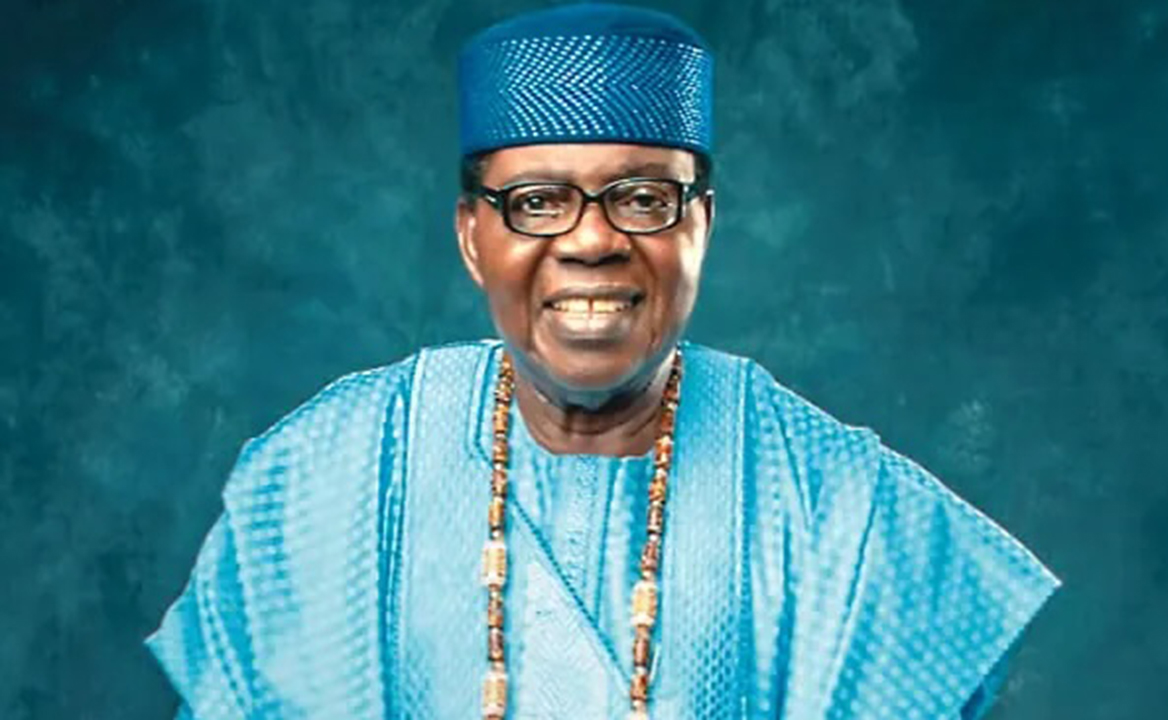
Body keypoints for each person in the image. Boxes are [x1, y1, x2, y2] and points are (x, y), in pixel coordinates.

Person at [146, 4, 1060, 719]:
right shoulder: (325, 476)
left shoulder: (841, 508)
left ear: (702, 226)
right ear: (471, 237)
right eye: (538, 201)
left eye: (643, 198)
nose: (591, 240)